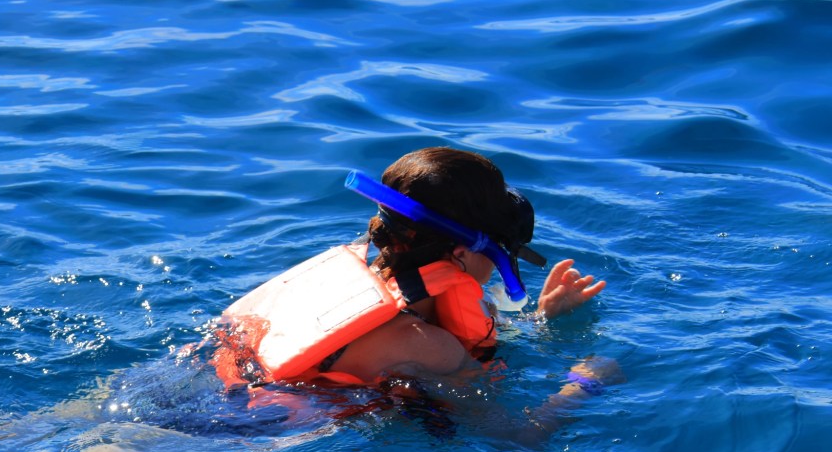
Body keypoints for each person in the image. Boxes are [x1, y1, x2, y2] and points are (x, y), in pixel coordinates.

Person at [216, 146, 617, 397]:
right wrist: (584, 383)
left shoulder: (359, 284)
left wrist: (542, 318)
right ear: (463, 251)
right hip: (237, 433)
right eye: (502, 251)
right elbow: (517, 440)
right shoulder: (429, 347)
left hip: (210, 395)